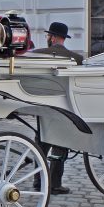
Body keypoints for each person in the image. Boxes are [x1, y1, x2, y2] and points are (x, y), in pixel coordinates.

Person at [32, 22, 82, 195]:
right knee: (61, 145)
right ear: (63, 38)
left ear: (52, 37)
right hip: (65, 106)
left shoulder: (37, 54)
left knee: (41, 143)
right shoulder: (76, 58)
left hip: (44, 105)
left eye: (48, 36)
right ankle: (54, 183)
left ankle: (38, 180)